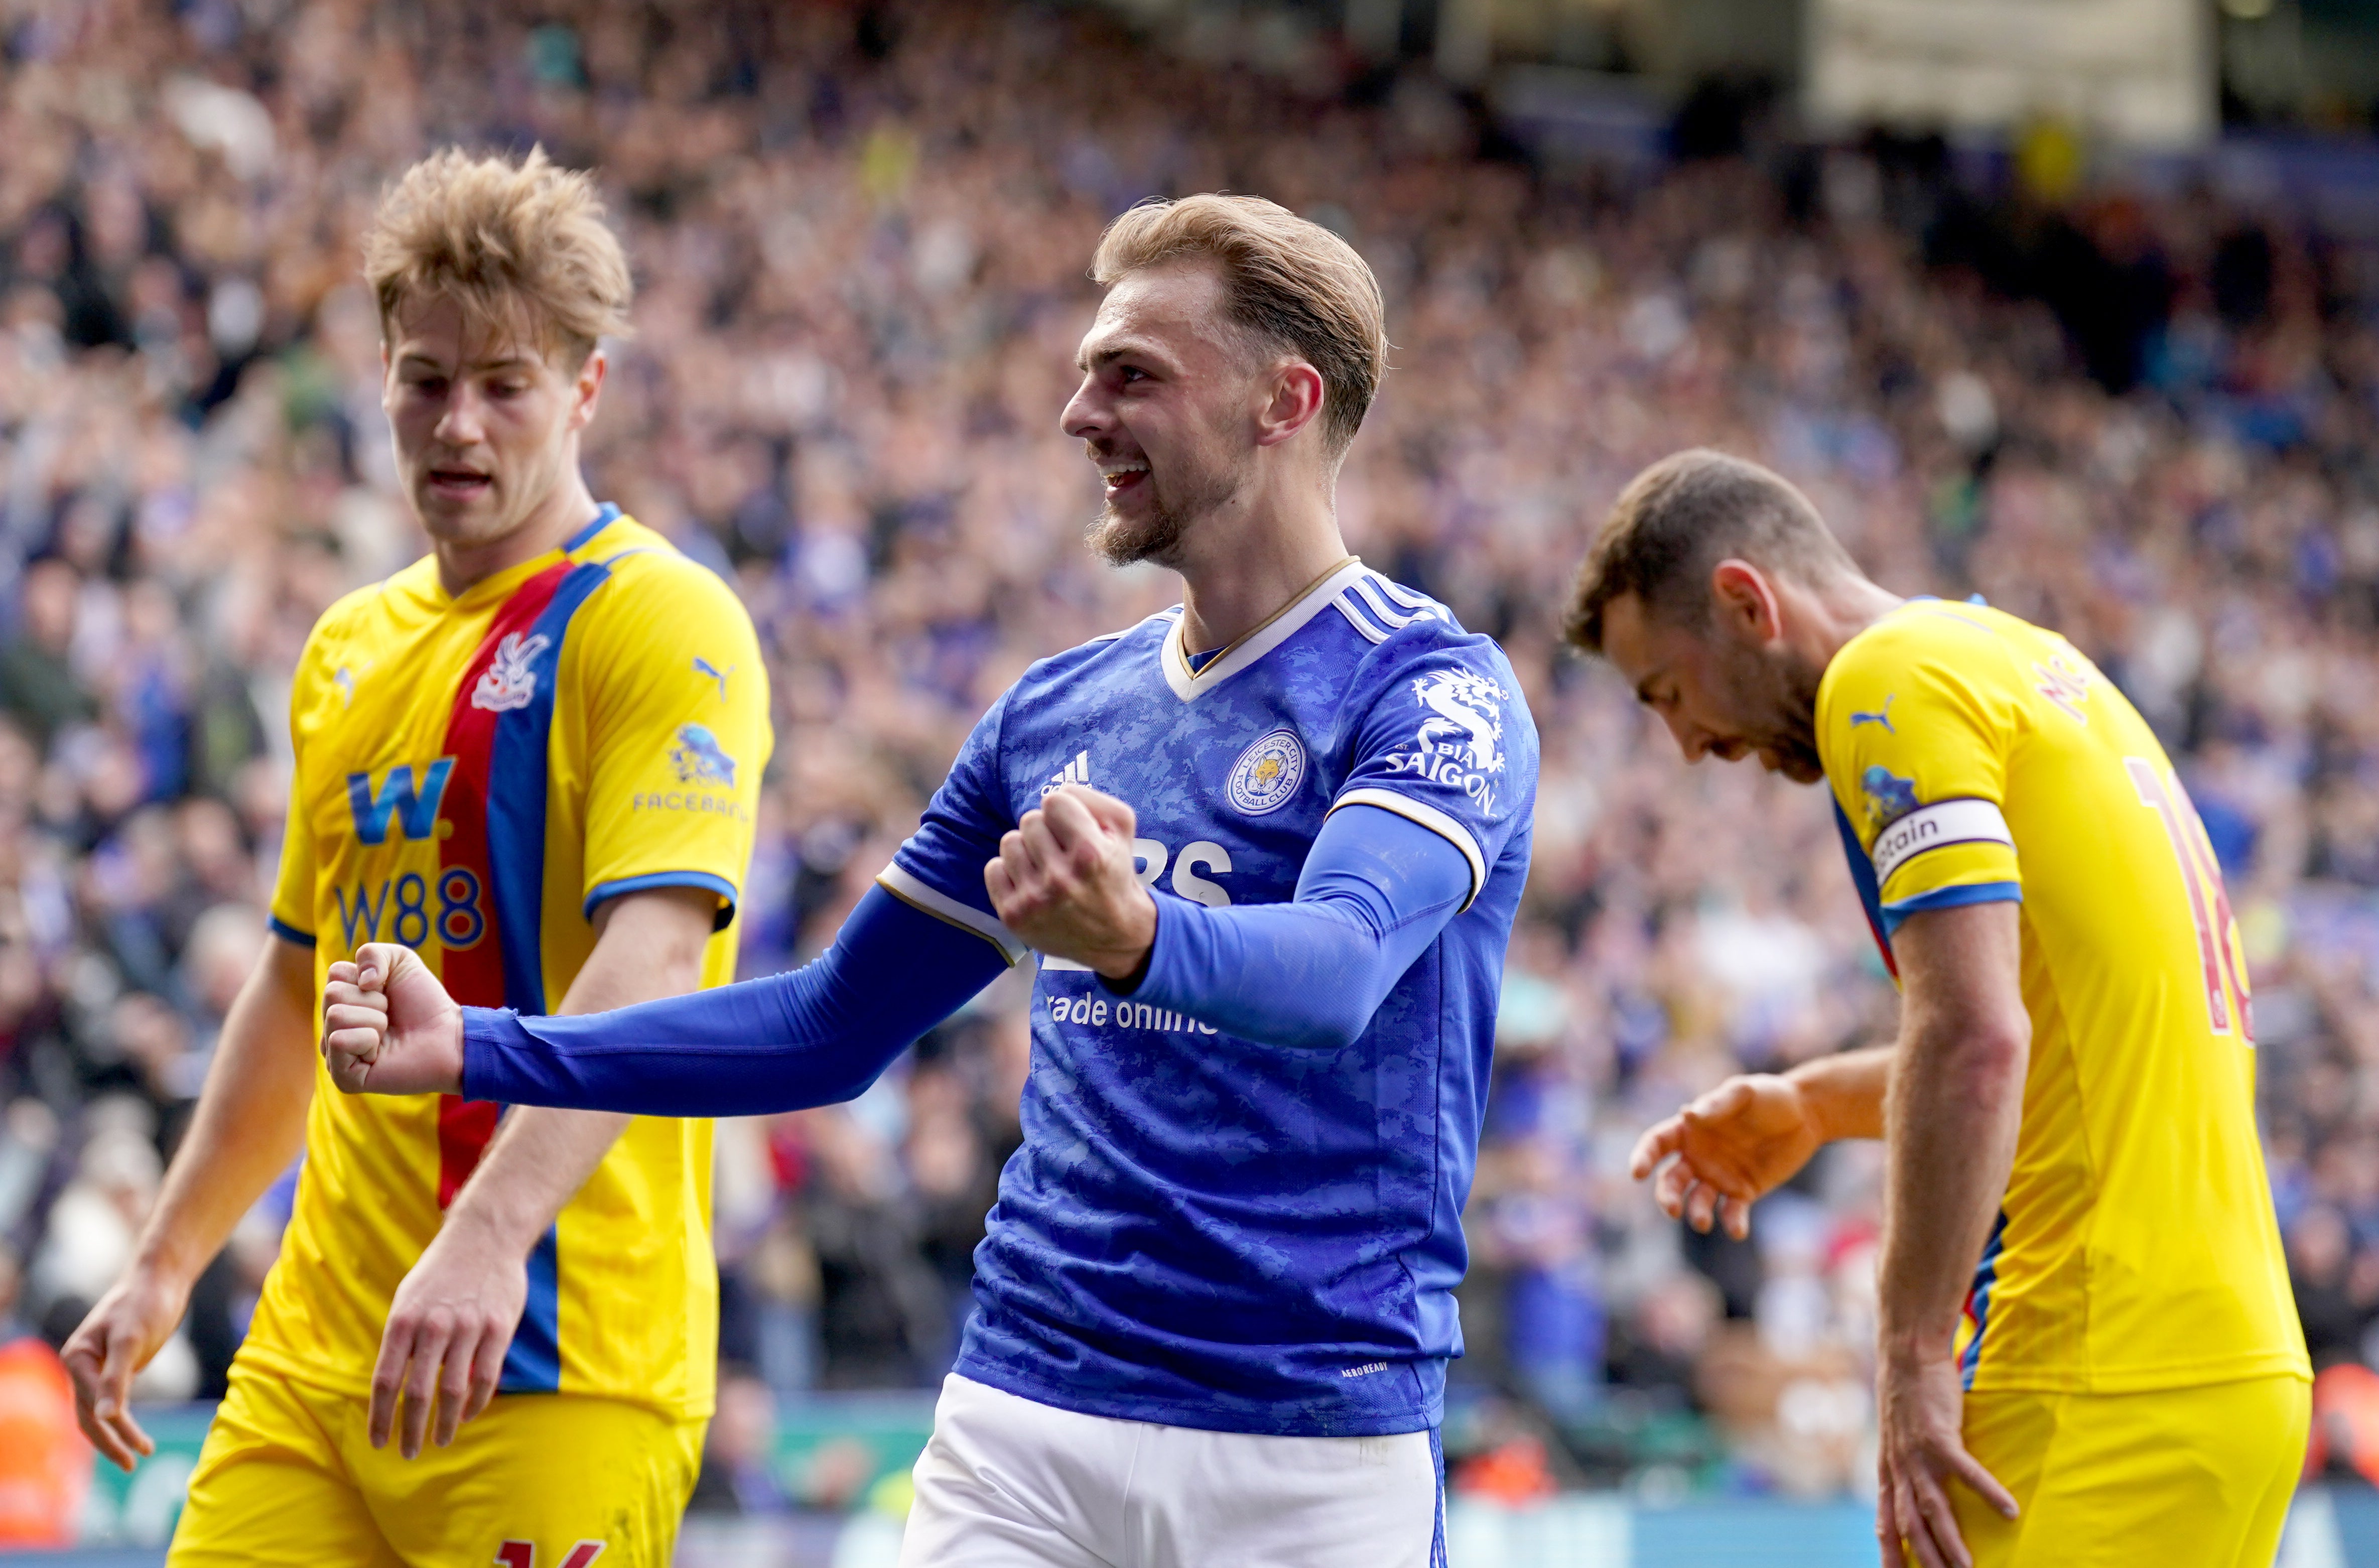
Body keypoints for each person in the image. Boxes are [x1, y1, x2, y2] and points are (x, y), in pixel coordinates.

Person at [319, 193, 1538, 1568]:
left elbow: (1338, 967)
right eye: (1084, 371)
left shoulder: (1431, 690)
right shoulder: (1053, 708)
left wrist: (1136, 933)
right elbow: (827, 1025)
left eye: (1129, 372)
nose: (1079, 413)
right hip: (1027, 1413)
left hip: (1310, 1447)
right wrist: (484, 1044)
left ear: (1282, 400)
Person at [59, 148, 770, 1567]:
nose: (458, 421)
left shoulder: (660, 619)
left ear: (586, 388)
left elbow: (650, 960)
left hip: (553, 1350)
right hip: (319, 1355)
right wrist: (165, 1256)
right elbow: (291, 984)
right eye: (423, 377)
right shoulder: (345, 647)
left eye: (504, 381)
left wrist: (492, 1232)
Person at [1568, 449, 2309, 1568]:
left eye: (1668, 691)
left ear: (1744, 600)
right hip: (2236, 1373)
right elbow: (2060, 1038)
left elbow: (1974, 1038)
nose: (1687, 745)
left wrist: (1911, 1359)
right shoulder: (2034, 664)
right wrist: (1815, 1103)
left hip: (2087, 1363)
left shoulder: (1889, 679)